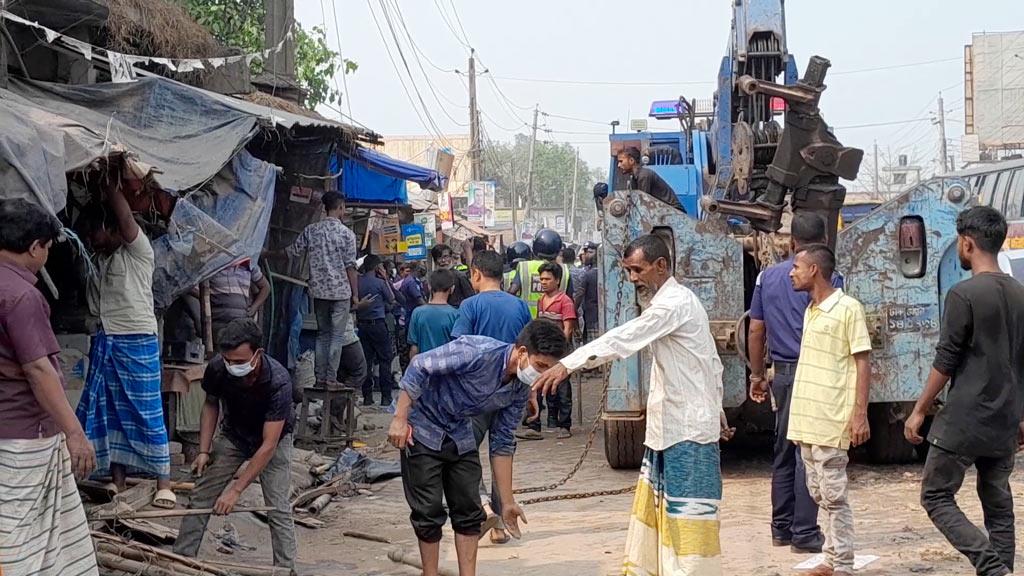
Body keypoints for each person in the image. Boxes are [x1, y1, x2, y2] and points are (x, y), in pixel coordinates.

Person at [532, 234, 727, 575]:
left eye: (638, 269)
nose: (633, 277)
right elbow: (710, 363)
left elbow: (625, 337)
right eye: (628, 271)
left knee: (689, 518)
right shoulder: (671, 303)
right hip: (671, 428)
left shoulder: (675, 304)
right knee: (669, 517)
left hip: (688, 431)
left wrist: (569, 363)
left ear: (661, 266)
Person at [387, 320, 567, 576]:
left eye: (549, 370)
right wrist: (400, 418)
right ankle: (429, 572)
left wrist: (507, 502)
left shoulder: (519, 388)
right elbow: (419, 366)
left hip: (460, 433)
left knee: (469, 512)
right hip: (423, 428)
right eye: (540, 366)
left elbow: (503, 441)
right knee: (428, 512)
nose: (541, 375)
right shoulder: (476, 351)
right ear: (523, 352)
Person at [904, 206, 1024, 576]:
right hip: (1005, 418)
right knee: (998, 503)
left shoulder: (963, 294)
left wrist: (919, 409)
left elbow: (946, 359)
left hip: (965, 418)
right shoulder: (1020, 293)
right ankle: (1002, 569)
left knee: (936, 496)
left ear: (967, 243)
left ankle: (989, 566)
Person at [0, 199, 99, 576]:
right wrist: (75, 433)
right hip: (23, 434)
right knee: (18, 534)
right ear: (34, 247)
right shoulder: (23, 296)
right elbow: (39, 369)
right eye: (49, 247)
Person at [77, 184, 174, 507]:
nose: (90, 238)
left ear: (110, 226)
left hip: (137, 341)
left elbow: (123, 215)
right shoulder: (97, 262)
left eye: (94, 230)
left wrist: (110, 183)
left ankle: (164, 482)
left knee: (147, 413)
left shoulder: (138, 250)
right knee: (112, 412)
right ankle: (117, 481)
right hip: (107, 341)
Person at [174, 319, 297, 570]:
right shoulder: (219, 367)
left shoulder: (279, 381)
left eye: (240, 362)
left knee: (277, 507)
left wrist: (236, 490)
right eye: (228, 361)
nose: (233, 367)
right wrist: (204, 450)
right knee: (200, 497)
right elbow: (210, 404)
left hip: (273, 440)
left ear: (257, 354)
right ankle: (180, 562)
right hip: (234, 435)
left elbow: (269, 444)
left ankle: (285, 569)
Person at [747, 213, 837, 554]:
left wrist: (757, 375)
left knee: (784, 450)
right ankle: (805, 532)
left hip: (782, 375)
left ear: (792, 241)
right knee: (807, 452)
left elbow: (756, 330)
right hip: (814, 373)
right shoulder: (829, 278)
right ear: (824, 241)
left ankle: (781, 528)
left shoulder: (767, 277)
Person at [786, 244, 872, 576]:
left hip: (832, 418)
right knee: (819, 492)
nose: (791, 272)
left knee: (834, 496)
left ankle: (844, 564)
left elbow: (862, 362)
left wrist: (859, 413)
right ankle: (830, 557)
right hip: (808, 419)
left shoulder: (848, 308)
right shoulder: (812, 309)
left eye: (797, 266)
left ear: (814, 271)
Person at [452, 250, 534, 545]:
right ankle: (500, 523)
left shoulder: (470, 305)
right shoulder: (521, 306)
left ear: (475, 273)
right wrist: (531, 392)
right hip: (514, 388)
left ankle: (484, 507)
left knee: (464, 451)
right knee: (502, 448)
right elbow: (528, 353)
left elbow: (459, 349)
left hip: (475, 392)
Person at [285, 191, 358, 387]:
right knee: (336, 336)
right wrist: (356, 295)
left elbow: (292, 252)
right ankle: (331, 378)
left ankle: (319, 378)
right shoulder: (347, 234)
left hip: (318, 292)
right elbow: (350, 266)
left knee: (322, 334)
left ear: (324, 207)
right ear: (341, 207)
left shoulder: (311, 230)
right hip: (341, 292)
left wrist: (268, 255)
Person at [536, 261, 577, 439]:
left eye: (547, 279)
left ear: (557, 280)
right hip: (544, 351)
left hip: (560, 353)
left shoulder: (565, 301)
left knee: (562, 388)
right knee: (547, 386)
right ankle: (551, 419)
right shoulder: (541, 301)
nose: (543, 282)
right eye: (542, 279)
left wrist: (560, 351)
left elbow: (568, 328)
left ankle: (564, 424)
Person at [356, 255, 398, 407]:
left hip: (362, 325)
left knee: (366, 361)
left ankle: (367, 397)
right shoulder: (380, 283)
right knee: (384, 360)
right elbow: (392, 298)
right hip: (378, 325)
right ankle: (386, 397)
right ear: (377, 268)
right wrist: (385, 278)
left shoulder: (358, 282)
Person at [509, 229, 571, 318]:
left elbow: (512, 292)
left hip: (528, 324)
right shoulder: (564, 270)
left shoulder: (525, 267)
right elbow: (570, 300)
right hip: (555, 326)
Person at [209, 257, 270, 344]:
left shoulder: (248, 263)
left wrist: (254, 307)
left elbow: (266, 287)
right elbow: (194, 288)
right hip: (219, 321)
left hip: (242, 323)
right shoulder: (212, 262)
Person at [408, 269, 459, 358]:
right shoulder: (456, 315)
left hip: (424, 367)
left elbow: (414, 349)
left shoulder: (417, 313)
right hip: (448, 368)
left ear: (429, 287)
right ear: (452, 289)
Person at [616, 146, 685, 212]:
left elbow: (643, 204)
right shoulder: (634, 178)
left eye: (621, 161)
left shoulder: (644, 175)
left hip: (674, 211)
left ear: (631, 160)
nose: (618, 165)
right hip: (663, 210)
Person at [573, 242, 601, 342]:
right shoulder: (589, 273)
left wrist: (574, 322)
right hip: (590, 319)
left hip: (592, 322)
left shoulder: (588, 275)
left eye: (589, 252)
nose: (585, 255)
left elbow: (577, 300)